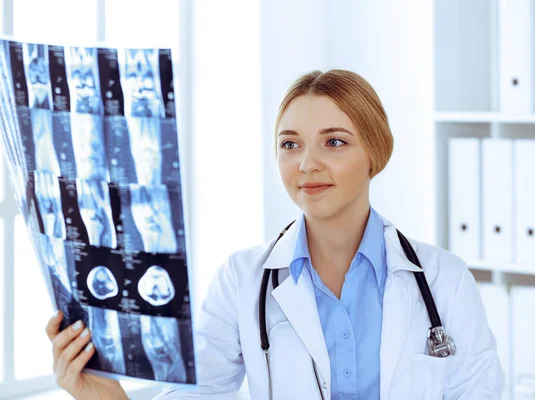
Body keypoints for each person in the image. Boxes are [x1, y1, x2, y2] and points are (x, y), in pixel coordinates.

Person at [46, 69, 503, 399]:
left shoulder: (444, 280)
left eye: (334, 141)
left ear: (374, 153)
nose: (307, 163)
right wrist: (100, 396)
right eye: (290, 144)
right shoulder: (242, 279)